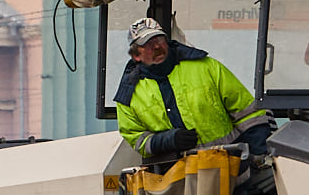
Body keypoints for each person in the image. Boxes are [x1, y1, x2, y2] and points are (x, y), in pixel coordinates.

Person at [113, 12, 272, 167]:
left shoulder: (207, 67)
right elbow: (136, 138)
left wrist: (258, 156)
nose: (156, 46)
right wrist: (169, 140)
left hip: (230, 171)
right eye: (147, 43)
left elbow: (249, 114)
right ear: (136, 55)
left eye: (159, 39)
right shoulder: (128, 94)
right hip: (175, 181)